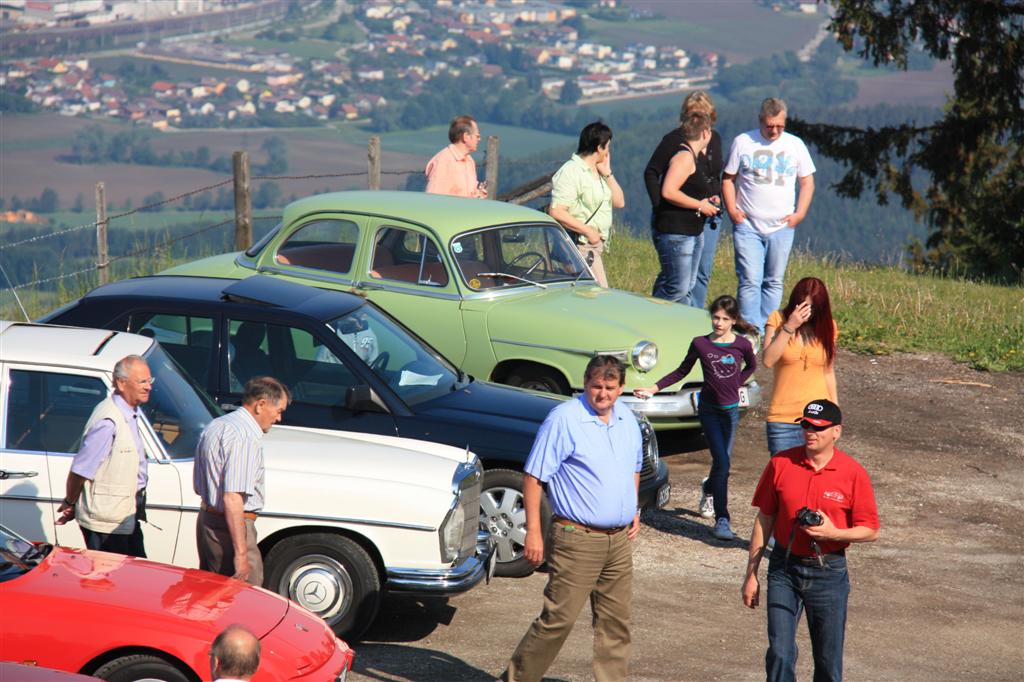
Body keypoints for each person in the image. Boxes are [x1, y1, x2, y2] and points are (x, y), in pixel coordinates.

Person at [502, 356, 643, 682]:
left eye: (610, 387)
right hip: (576, 538)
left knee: (615, 624)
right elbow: (534, 477)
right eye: (596, 386)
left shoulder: (628, 419)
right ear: (585, 384)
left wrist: (633, 508)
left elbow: (634, 467)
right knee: (558, 620)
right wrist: (533, 534)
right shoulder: (564, 419)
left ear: (621, 388)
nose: (602, 394)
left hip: (618, 541)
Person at [742, 399, 879, 682]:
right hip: (784, 569)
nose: (809, 432)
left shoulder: (853, 473)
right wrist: (751, 574)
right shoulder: (781, 463)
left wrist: (834, 534)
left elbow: (870, 530)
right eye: (805, 425)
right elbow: (764, 519)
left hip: (829, 572)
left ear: (836, 432)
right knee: (780, 652)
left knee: (828, 662)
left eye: (817, 427)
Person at [634, 295, 756, 540]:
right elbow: (682, 370)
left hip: (730, 411)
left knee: (723, 464)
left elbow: (752, 366)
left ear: (733, 320)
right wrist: (653, 388)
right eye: (715, 317)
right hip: (708, 411)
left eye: (724, 319)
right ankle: (723, 519)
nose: (718, 323)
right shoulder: (700, 343)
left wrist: (737, 383)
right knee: (722, 461)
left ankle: (709, 487)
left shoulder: (741, 345)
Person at [722, 97, 816, 335]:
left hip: (782, 226)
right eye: (769, 126)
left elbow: (807, 182)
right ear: (760, 121)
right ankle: (749, 329)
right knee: (750, 279)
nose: (774, 131)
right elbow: (728, 179)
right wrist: (732, 209)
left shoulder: (795, 145)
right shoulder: (743, 142)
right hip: (748, 224)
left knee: (774, 280)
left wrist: (800, 214)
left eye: (779, 126)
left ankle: (769, 328)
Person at [194, 376, 289, 586]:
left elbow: (199, 486)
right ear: (260, 405)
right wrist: (241, 554)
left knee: (211, 594)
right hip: (231, 528)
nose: (279, 418)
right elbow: (233, 498)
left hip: (207, 521)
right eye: (279, 410)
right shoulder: (244, 437)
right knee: (246, 599)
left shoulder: (216, 425)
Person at [56, 355, 153, 558]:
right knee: (107, 582)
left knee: (136, 576)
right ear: (121, 383)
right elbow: (81, 469)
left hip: (123, 514)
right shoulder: (109, 419)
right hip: (106, 521)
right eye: (142, 381)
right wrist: (71, 501)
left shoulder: (129, 413)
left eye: (149, 381)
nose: (148, 387)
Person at [644, 90, 724, 307]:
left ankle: (690, 315)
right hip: (678, 219)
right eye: (693, 116)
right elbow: (656, 177)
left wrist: (714, 196)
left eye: (702, 116)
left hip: (703, 216)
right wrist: (660, 207)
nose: (697, 121)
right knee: (677, 283)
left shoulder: (714, 140)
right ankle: (657, 315)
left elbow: (712, 174)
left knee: (695, 275)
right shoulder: (677, 145)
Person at [763, 277, 838, 455]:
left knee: (817, 478)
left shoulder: (829, 327)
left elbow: (828, 372)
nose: (807, 313)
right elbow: (768, 360)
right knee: (783, 479)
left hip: (820, 419)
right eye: (803, 307)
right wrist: (790, 326)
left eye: (812, 308)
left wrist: (836, 414)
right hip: (783, 418)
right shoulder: (777, 319)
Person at [548, 121, 625, 288]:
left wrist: (608, 173)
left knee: (592, 295)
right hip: (580, 245)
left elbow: (619, 202)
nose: (608, 152)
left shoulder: (597, 171)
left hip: (593, 246)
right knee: (599, 294)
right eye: (607, 147)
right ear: (599, 148)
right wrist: (588, 231)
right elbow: (557, 211)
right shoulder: (571, 171)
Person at [425, 115, 487, 198]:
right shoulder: (443, 162)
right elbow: (433, 199)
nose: (479, 139)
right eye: (477, 136)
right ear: (466, 137)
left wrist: (477, 195)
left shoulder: (469, 161)